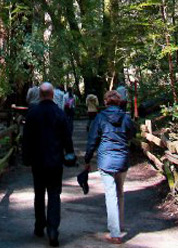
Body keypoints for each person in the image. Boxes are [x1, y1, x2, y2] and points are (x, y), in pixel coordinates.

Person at [23, 82, 74, 247]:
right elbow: (67, 137)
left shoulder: (32, 113)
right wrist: (69, 154)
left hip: (37, 162)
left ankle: (39, 226)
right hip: (54, 161)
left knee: (39, 193)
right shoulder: (59, 113)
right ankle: (53, 230)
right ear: (52, 95)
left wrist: (26, 157)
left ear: (40, 95)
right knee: (54, 195)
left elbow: (27, 138)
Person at [84, 90, 136, 245]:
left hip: (106, 160)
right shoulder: (126, 118)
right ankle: (119, 225)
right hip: (122, 159)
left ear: (106, 102)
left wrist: (87, 159)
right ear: (119, 102)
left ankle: (115, 233)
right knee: (120, 193)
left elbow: (93, 139)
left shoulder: (100, 118)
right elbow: (131, 134)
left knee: (110, 195)